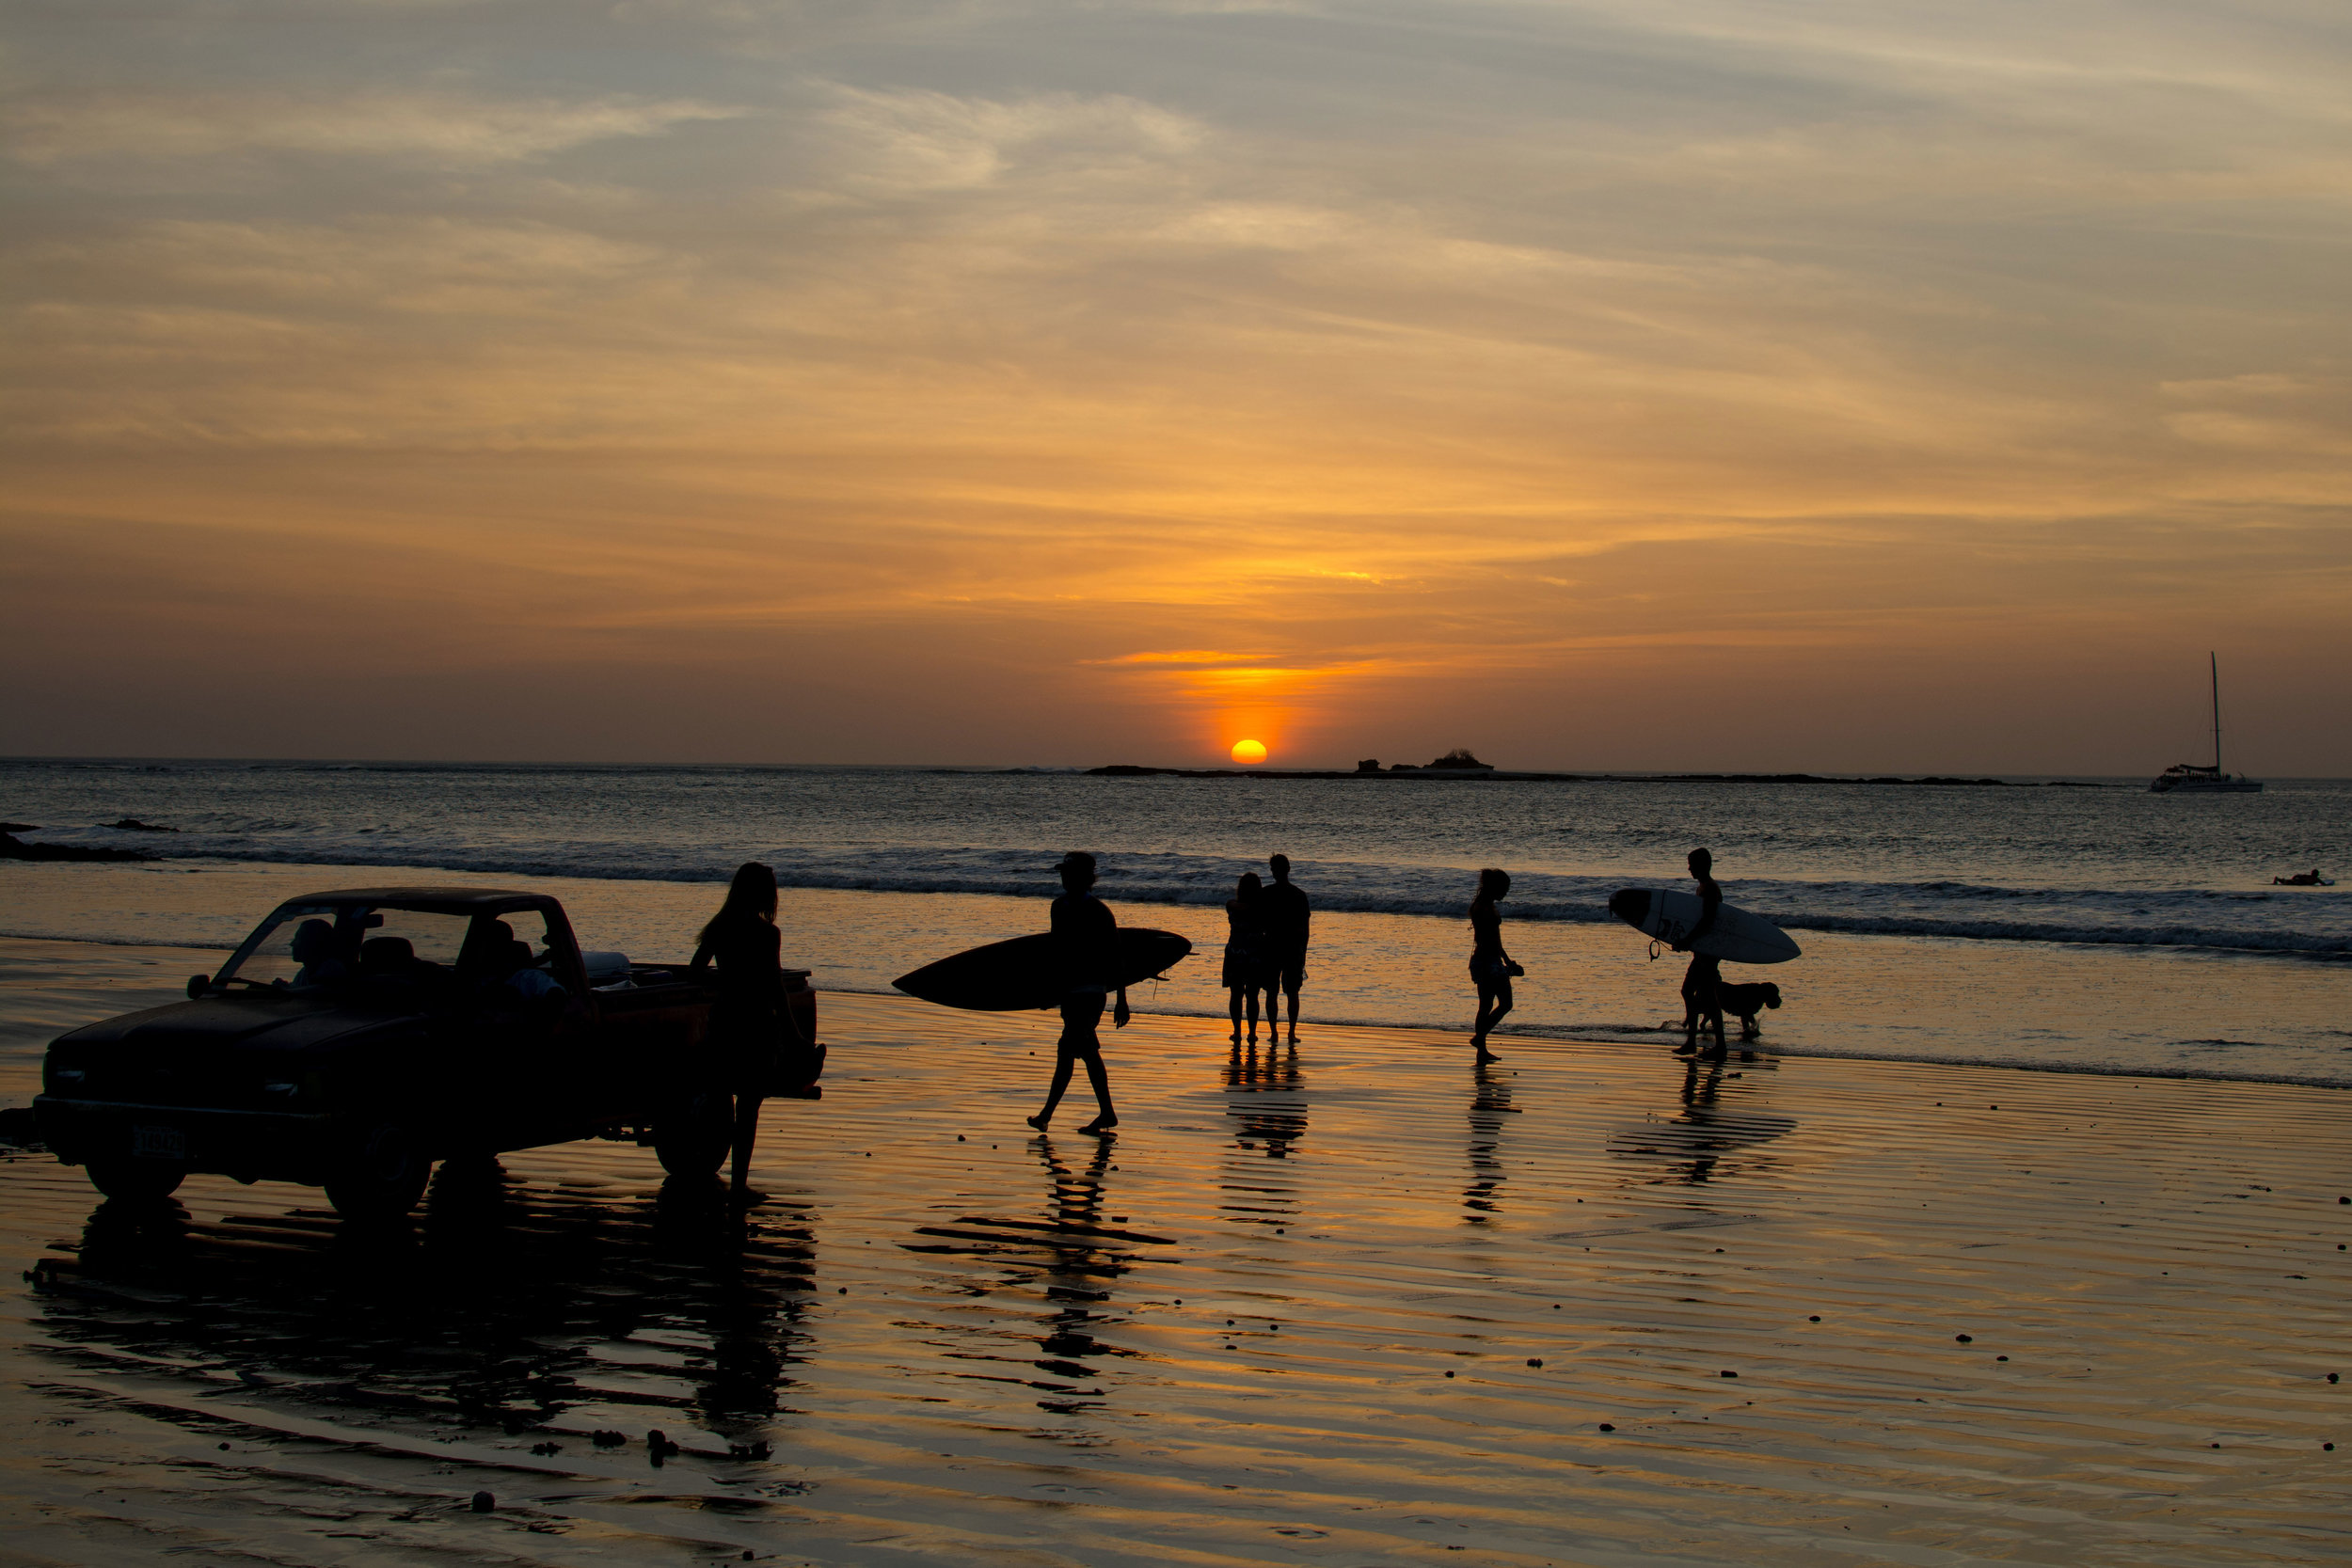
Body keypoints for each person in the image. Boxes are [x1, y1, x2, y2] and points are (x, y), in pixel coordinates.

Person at [691, 862, 786, 1200]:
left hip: (725, 1020)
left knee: (723, 1103)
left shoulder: (719, 927)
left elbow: (696, 971)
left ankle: (711, 1164)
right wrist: (793, 1034)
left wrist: (727, 981)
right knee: (748, 1110)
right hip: (756, 1024)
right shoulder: (767, 934)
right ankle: (739, 1183)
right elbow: (775, 987)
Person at [1029, 851, 1126, 1135]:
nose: (1063, 878)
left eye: (1069, 874)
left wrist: (1122, 1000)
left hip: (1091, 992)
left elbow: (1116, 955)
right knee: (1082, 1051)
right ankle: (1106, 1113)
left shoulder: (1099, 912)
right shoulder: (1058, 907)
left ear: (1084, 879)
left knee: (1069, 1049)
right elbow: (1056, 952)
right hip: (1070, 993)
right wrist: (1049, 991)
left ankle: (1047, 1115)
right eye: (1062, 873)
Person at [1676, 847, 1726, 1057]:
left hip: (1708, 951)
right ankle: (1697, 1042)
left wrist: (1688, 940)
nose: (1689, 868)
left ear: (1704, 865)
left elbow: (1708, 921)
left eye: (1692, 864)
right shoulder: (1703, 888)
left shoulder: (1710, 889)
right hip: (1703, 949)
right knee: (1702, 995)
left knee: (1693, 992)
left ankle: (1706, 1044)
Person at [1468, 868, 1518, 1064]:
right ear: (1495, 887)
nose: (1506, 892)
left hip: (1482, 960)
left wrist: (1506, 960)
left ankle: (1481, 1051)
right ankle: (1479, 1038)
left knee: (1486, 1005)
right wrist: (1504, 961)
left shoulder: (1481, 905)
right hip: (1489, 961)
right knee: (1506, 1003)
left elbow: (1490, 939)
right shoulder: (1485, 908)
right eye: (1505, 888)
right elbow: (1491, 940)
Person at [1263, 854, 1311, 1042]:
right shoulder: (1298, 895)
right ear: (1288, 869)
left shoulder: (1266, 893)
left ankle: (1275, 1032)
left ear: (1274, 871)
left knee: (1272, 991)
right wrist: (1303, 952)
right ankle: (1291, 1032)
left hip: (1272, 946)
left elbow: (1259, 923)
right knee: (1292, 992)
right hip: (1291, 947)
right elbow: (1305, 929)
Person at [1223, 872, 1272, 1043]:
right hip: (1254, 955)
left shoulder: (1232, 906)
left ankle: (1237, 1031)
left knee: (1235, 994)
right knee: (1253, 995)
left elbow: (1233, 905)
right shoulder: (1261, 909)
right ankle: (1251, 1032)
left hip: (1235, 953)